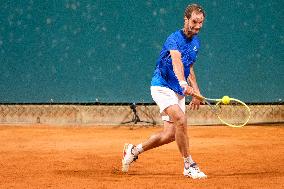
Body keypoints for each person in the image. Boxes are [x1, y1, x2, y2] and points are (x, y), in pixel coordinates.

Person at [122, 4, 207, 179]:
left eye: (201, 23)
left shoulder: (196, 42)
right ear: (186, 19)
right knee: (181, 120)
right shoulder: (173, 39)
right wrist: (184, 83)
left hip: (178, 91)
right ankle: (189, 165)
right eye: (194, 22)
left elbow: (189, 66)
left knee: (170, 134)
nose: (198, 26)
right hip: (161, 86)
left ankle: (134, 150)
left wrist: (196, 91)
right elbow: (177, 61)